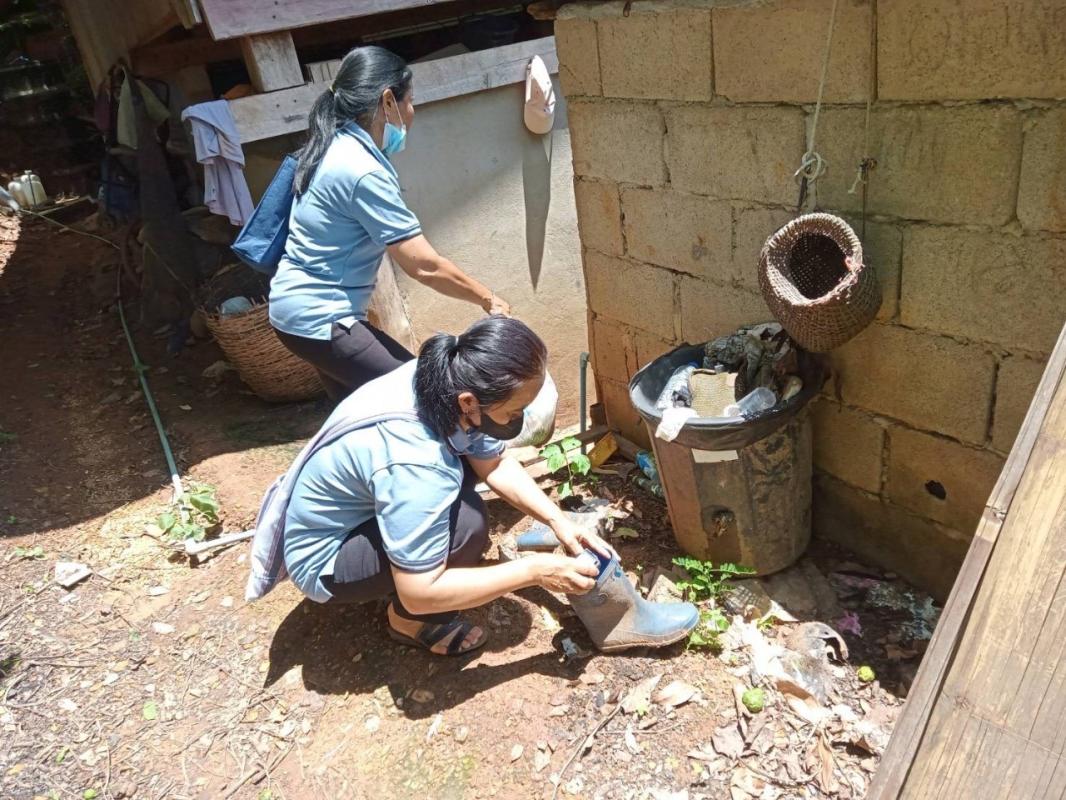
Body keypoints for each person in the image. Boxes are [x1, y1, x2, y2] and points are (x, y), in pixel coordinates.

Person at [250, 317, 610, 654]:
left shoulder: (443, 378)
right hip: (324, 558)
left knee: (461, 495)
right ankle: (408, 623)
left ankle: (405, 561)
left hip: (353, 512)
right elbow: (420, 593)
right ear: (470, 403)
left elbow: (495, 463)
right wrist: (536, 571)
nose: (517, 421)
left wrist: (558, 520)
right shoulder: (416, 460)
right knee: (467, 527)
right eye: (513, 413)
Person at [268, 45, 510, 401]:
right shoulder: (361, 169)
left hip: (295, 315)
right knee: (424, 399)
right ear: (387, 102)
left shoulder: (333, 146)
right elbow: (424, 266)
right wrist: (488, 300)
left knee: (363, 414)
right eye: (410, 101)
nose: (412, 113)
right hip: (323, 319)